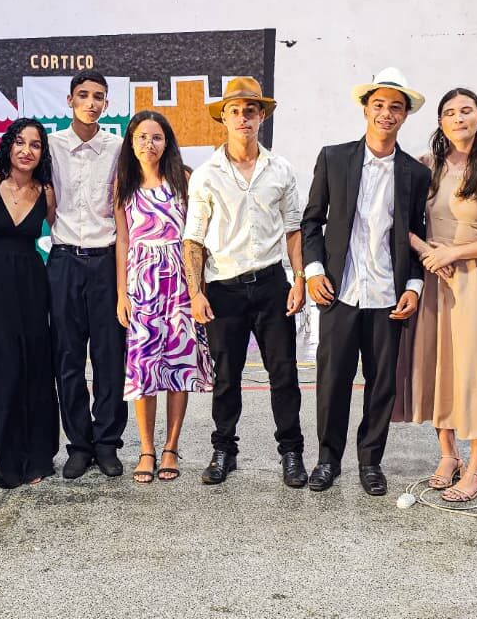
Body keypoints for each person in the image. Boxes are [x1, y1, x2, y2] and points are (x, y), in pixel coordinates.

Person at [301, 68, 431, 496]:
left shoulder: (415, 173)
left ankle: (371, 462)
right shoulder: (334, 158)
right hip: (340, 291)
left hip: (388, 295)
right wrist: (313, 271)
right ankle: (327, 460)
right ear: (365, 109)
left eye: (395, 107)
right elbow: (311, 222)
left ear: (405, 115)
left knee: (382, 385)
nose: (386, 114)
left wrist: (413, 286)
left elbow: (417, 234)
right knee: (332, 381)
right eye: (378, 105)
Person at [393, 87, 477, 502]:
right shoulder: (425, 167)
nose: (459, 118)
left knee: (471, 371)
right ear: (440, 122)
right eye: (450, 112)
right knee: (437, 366)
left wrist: (454, 253)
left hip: (473, 278)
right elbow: (400, 222)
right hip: (432, 276)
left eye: (467, 111)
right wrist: (427, 252)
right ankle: (448, 455)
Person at [183, 76, 309, 488]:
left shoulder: (281, 169)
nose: (243, 118)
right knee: (226, 376)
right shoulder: (206, 175)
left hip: (272, 284)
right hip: (224, 289)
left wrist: (299, 279)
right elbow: (193, 239)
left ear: (261, 117)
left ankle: (291, 452)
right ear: (224, 118)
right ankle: (224, 450)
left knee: (284, 373)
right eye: (235, 111)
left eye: (250, 111)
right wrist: (196, 292)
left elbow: (294, 229)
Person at [114, 110, 213, 483]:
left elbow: (195, 239)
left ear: (167, 142)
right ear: (131, 142)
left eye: (156, 137)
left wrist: (197, 289)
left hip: (179, 284)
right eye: (141, 137)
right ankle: (146, 449)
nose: (149, 144)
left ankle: (171, 446)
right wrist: (122, 293)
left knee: (177, 368)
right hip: (142, 285)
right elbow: (123, 241)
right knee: (144, 369)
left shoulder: (183, 179)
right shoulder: (124, 183)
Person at [0, 118, 60, 488]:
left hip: (31, 288)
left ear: (42, 153)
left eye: (35, 145)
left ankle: (33, 455)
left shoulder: (46, 192)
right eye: (20, 142)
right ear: (8, 145)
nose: (26, 150)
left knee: (32, 367)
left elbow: (52, 236)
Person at [45, 70, 128, 479]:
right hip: (64, 260)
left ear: (107, 104)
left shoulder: (118, 147)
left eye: (98, 97)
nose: (91, 103)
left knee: (111, 357)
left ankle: (108, 442)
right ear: (70, 100)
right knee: (68, 358)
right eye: (83, 95)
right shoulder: (51, 146)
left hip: (106, 261)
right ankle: (79, 444)